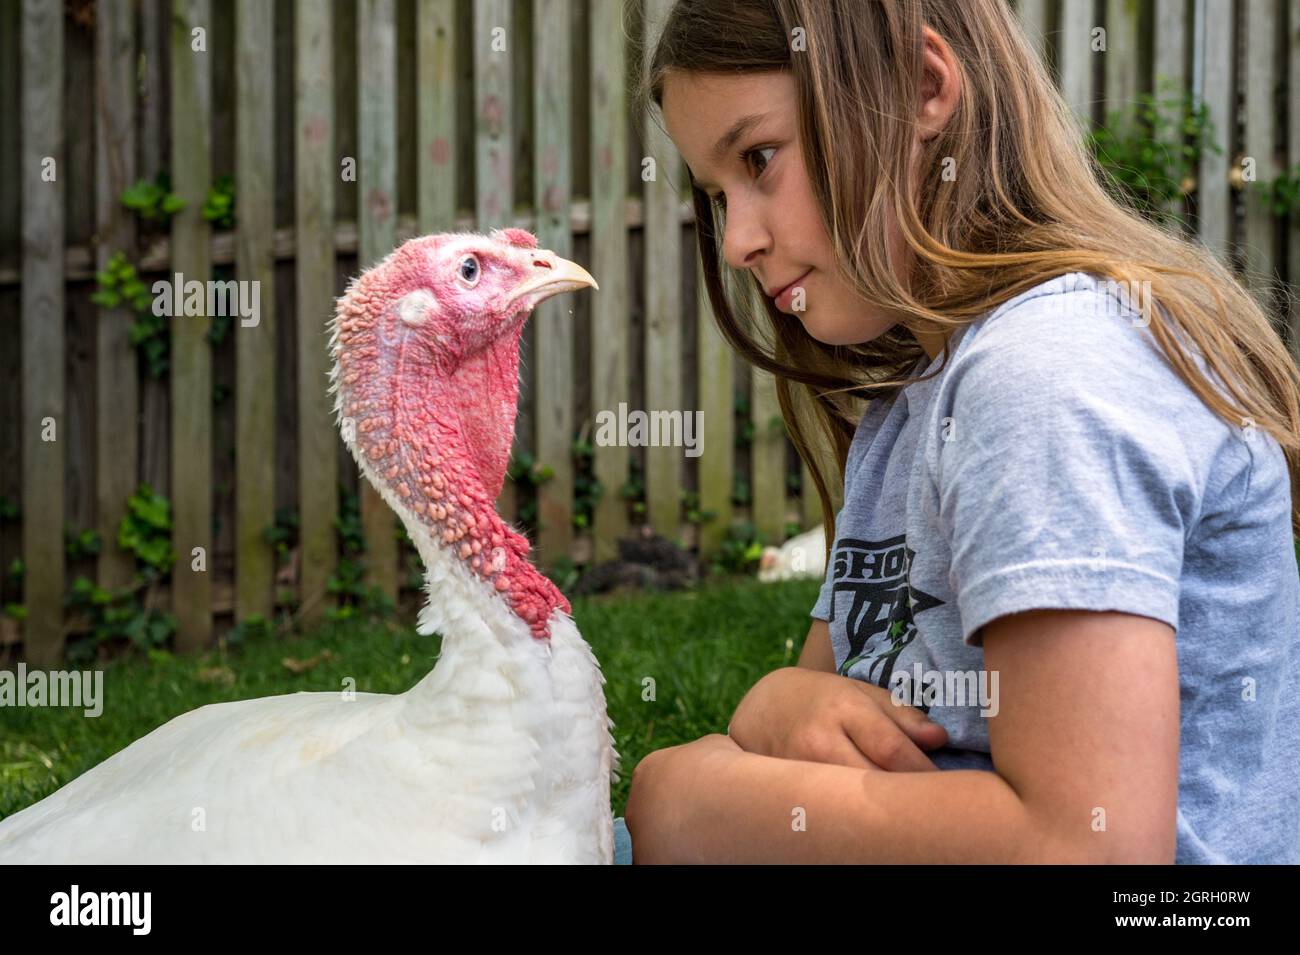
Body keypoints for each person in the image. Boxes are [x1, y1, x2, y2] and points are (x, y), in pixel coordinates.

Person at [613, 0, 1300, 864]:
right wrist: (776, 703)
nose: (739, 240)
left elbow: (1092, 848)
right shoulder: (916, 400)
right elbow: (827, 699)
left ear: (922, 91)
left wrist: (693, 804)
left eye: (760, 159)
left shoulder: (1047, 373)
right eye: (719, 197)